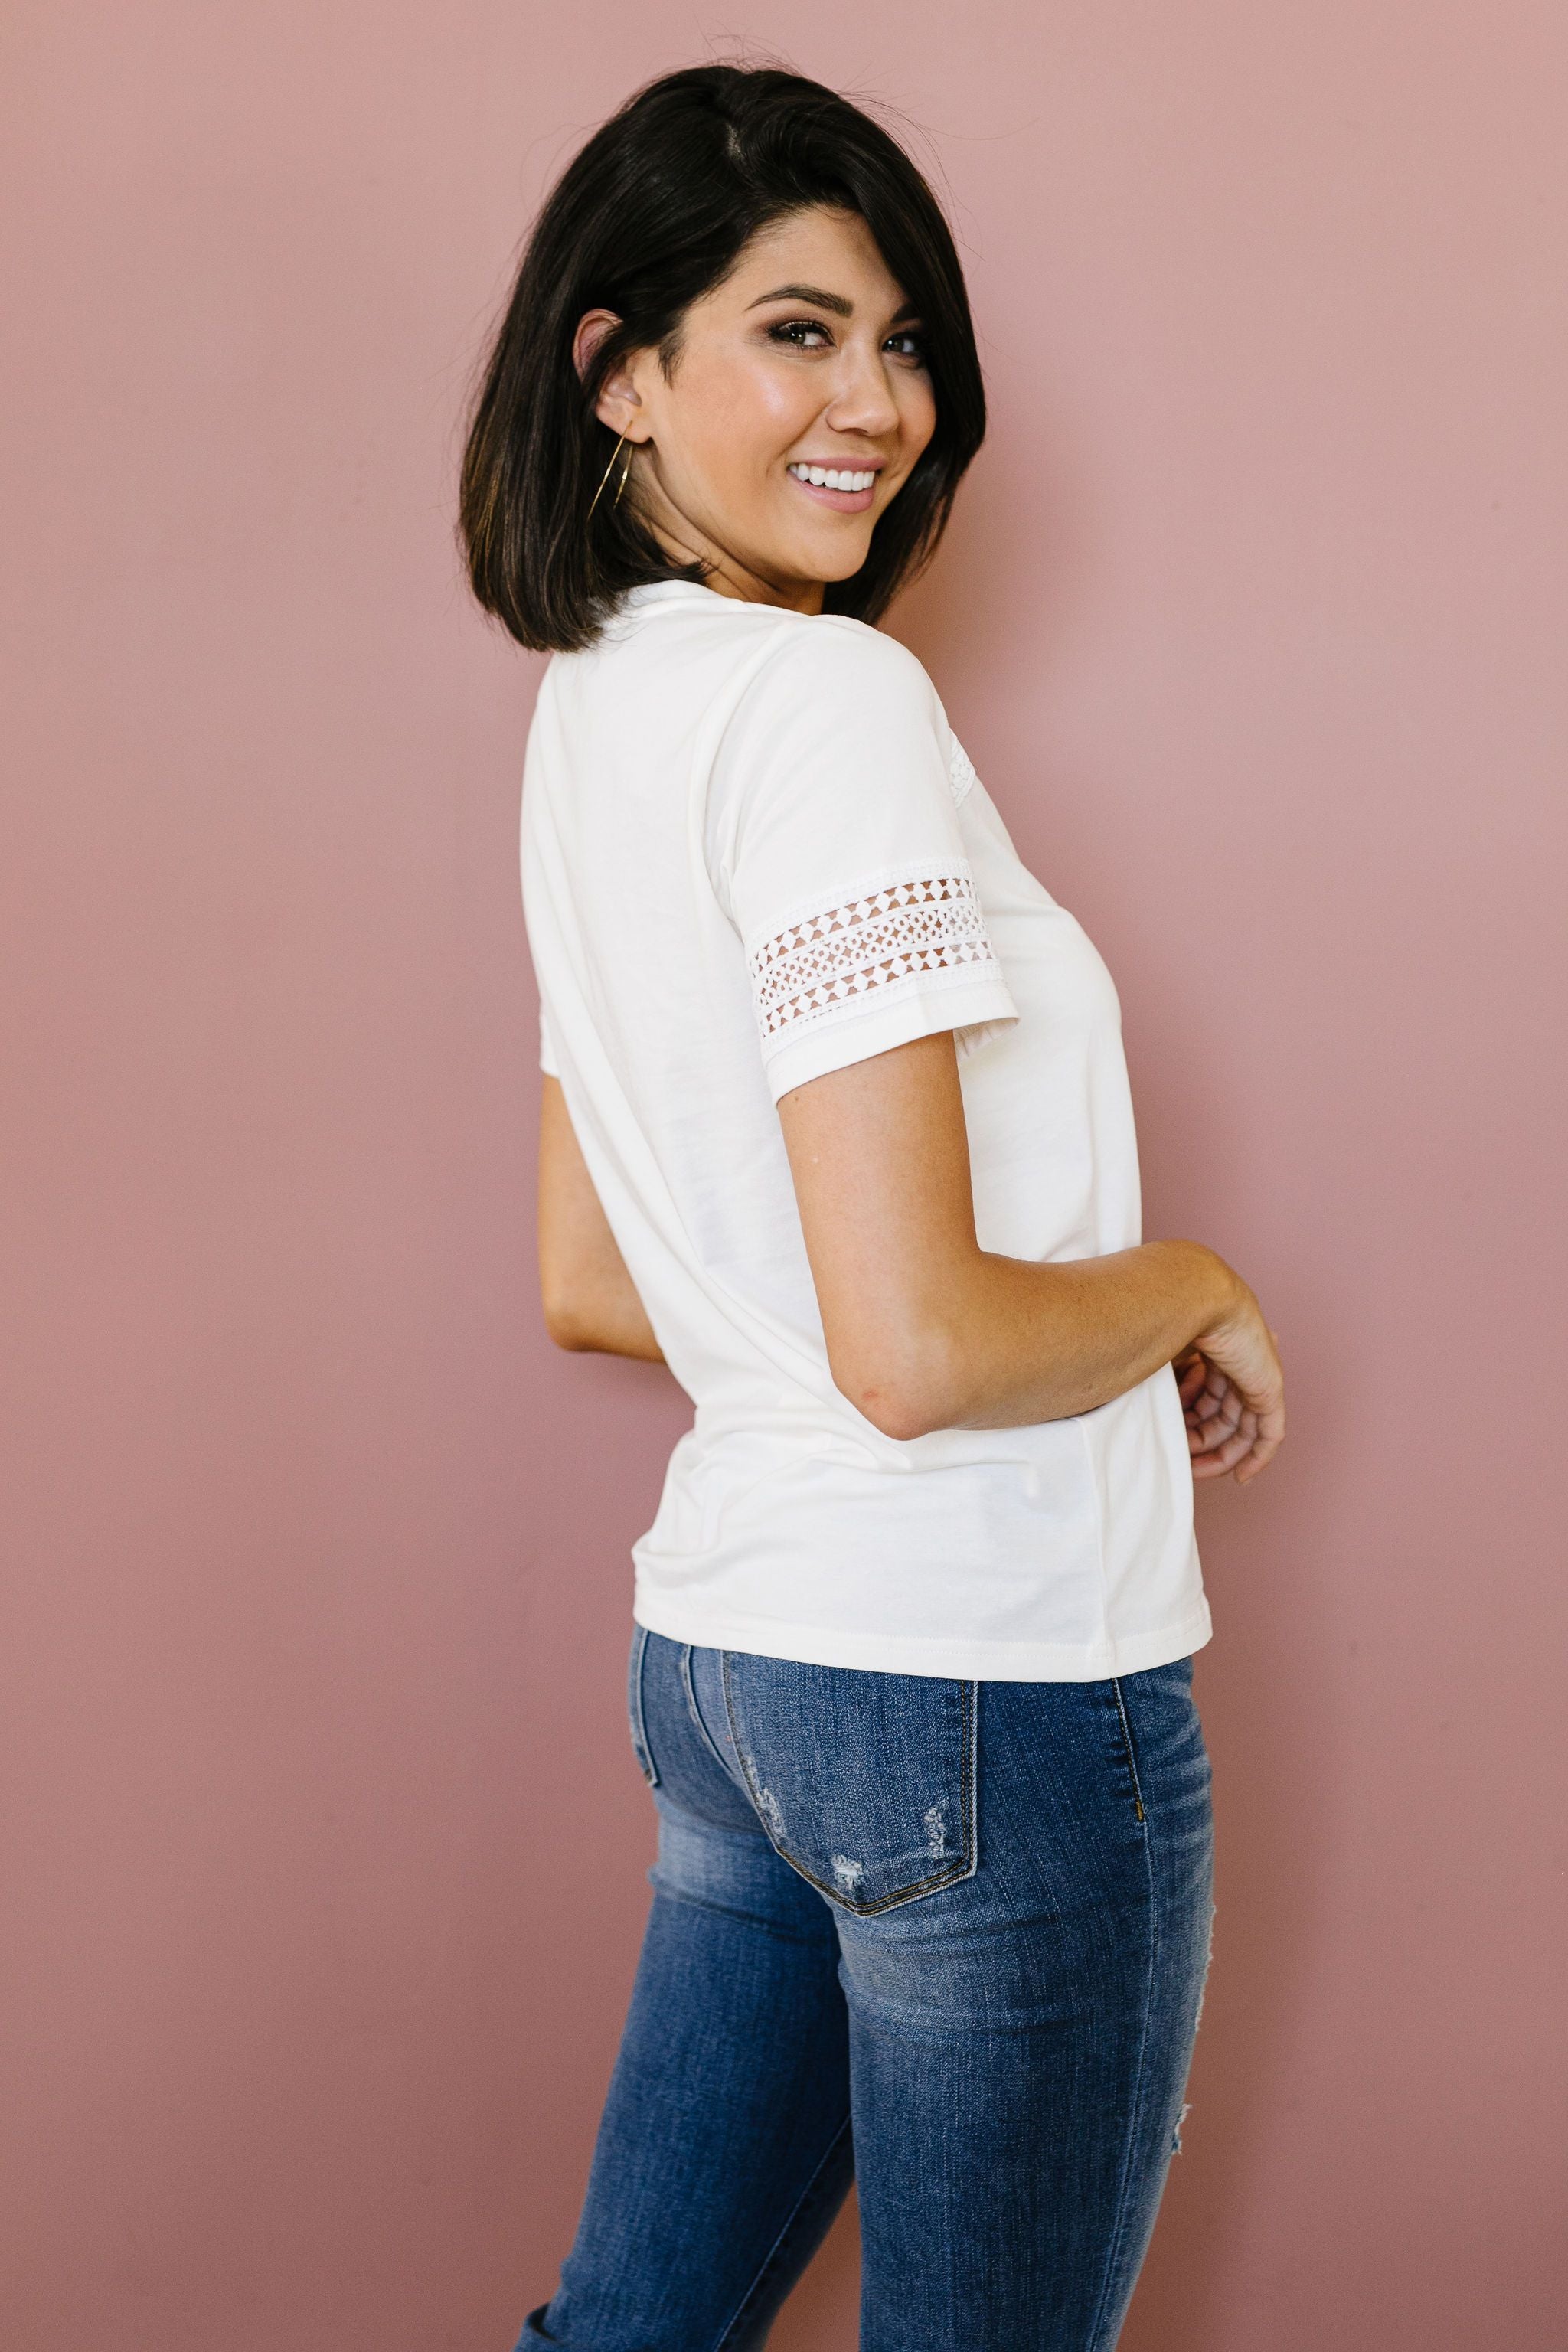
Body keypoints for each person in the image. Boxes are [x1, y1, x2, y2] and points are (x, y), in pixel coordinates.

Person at [459, 60, 1285, 2352]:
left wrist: (964, 1318)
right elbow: (915, 1350)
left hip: (741, 1661)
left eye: (902, 340)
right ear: (618, 370)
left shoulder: (596, 705)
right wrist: (1189, 1285)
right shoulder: (827, 703)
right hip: (977, 1673)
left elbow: (599, 1275)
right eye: (797, 332)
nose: (878, 403)